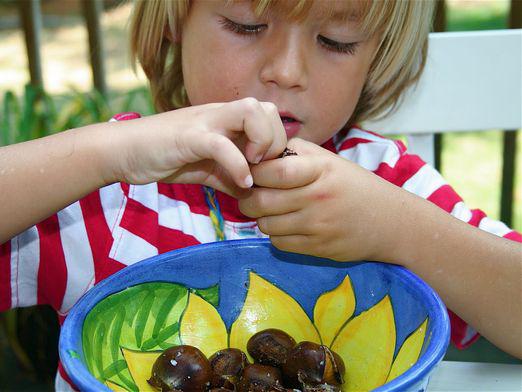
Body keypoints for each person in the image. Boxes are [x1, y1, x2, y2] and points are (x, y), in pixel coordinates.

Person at [0, 0, 521, 389]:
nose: (287, 72)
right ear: (174, 24)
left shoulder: (388, 183)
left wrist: (401, 231)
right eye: (246, 25)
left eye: (337, 40)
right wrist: (102, 154)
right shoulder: (114, 196)